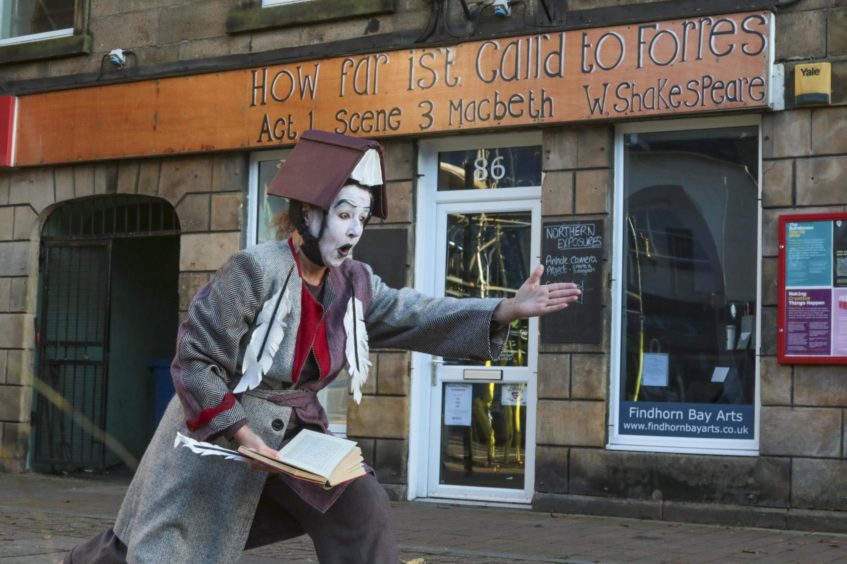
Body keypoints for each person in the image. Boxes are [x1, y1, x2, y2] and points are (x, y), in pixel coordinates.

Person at [65, 130, 581, 564]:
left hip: (297, 438)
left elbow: (411, 312)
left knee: (359, 503)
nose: (355, 229)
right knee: (158, 544)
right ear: (307, 213)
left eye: (362, 217)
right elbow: (195, 363)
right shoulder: (255, 270)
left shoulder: (353, 282)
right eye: (343, 213)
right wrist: (243, 436)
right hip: (218, 433)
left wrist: (503, 310)